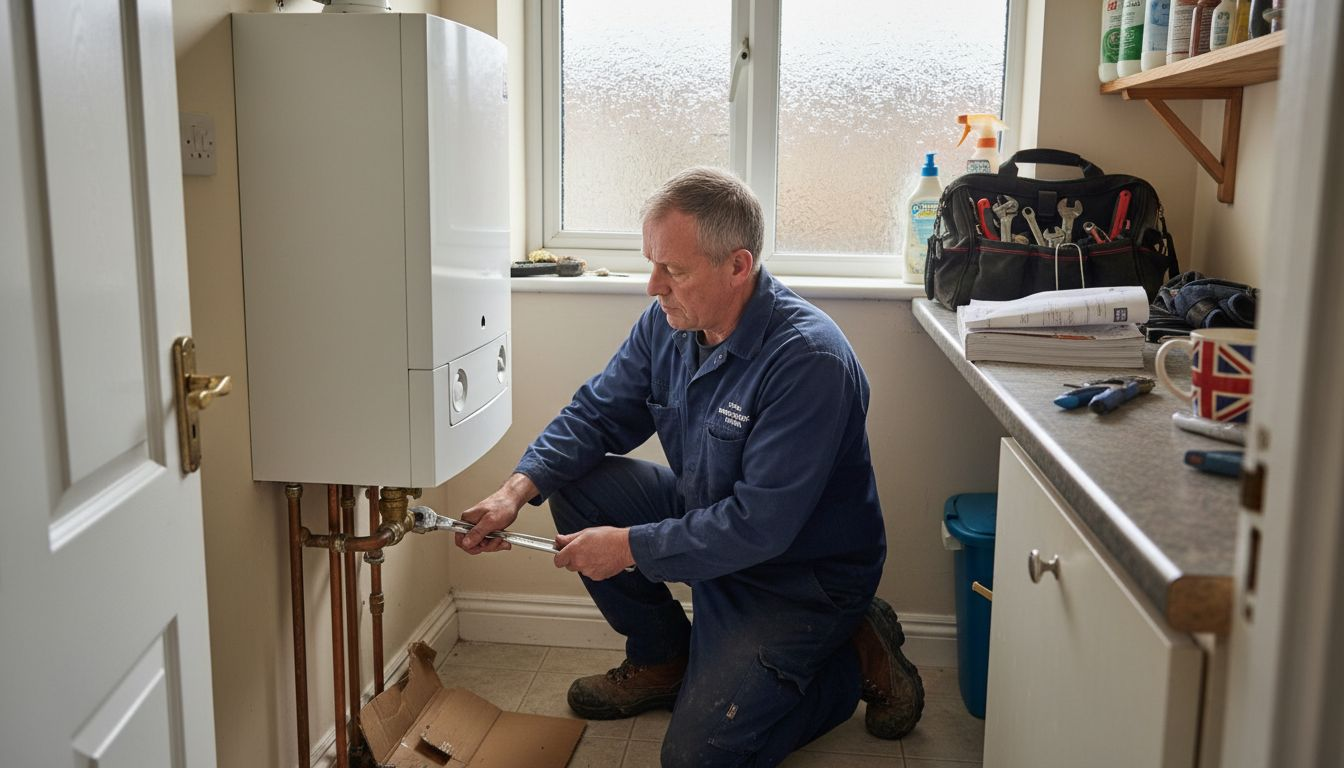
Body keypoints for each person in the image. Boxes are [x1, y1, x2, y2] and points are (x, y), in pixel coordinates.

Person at [457, 166, 923, 766]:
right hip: (714, 522)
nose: (653, 286)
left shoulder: (808, 361)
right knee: (572, 482)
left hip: (798, 574)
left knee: (697, 757)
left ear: (738, 266)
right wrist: (514, 491)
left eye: (673, 270)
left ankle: (849, 656)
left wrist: (628, 548)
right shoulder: (670, 323)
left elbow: (760, 525)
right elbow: (597, 413)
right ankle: (663, 659)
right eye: (651, 263)